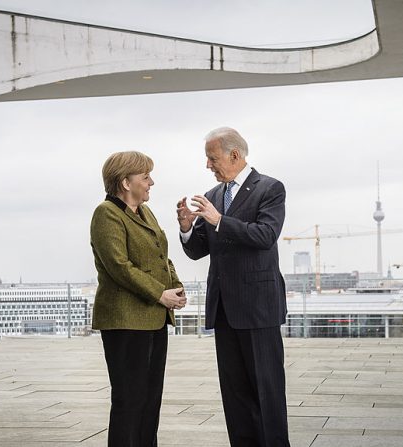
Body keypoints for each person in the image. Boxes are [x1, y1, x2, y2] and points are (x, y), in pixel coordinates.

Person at [177, 127, 290, 446]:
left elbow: (265, 235)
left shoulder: (269, 188)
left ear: (235, 155)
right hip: (224, 308)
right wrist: (187, 227)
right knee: (235, 395)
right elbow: (199, 249)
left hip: (258, 308)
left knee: (266, 391)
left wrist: (219, 221)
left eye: (212, 158)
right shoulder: (213, 197)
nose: (208, 166)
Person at [90, 151, 187, 447]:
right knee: (129, 401)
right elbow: (119, 266)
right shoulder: (106, 213)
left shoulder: (146, 212)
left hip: (154, 320)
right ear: (125, 182)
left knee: (149, 400)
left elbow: (161, 257)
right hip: (125, 322)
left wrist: (176, 287)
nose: (151, 182)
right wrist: (160, 294)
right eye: (145, 177)